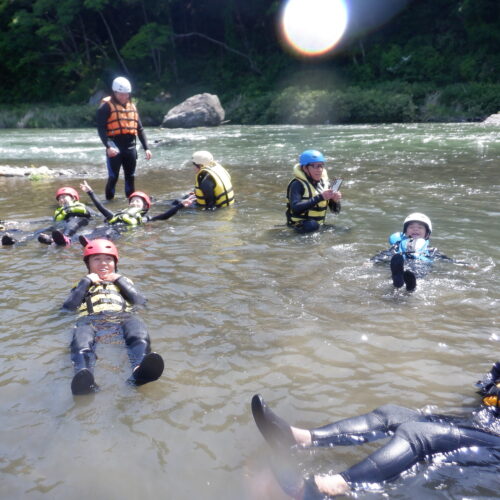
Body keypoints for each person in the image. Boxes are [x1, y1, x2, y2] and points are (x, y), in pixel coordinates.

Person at [251, 362, 500, 499]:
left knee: (419, 434)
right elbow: (483, 390)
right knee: (392, 413)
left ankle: (327, 488)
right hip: (477, 423)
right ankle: (299, 438)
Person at [62, 238, 164, 395]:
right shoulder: (81, 285)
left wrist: (119, 279)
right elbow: (68, 307)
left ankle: (139, 368)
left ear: (115, 264)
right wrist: (86, 281)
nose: (103, 263)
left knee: (137, 329)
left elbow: (141, 302)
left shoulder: (123, 282)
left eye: (108, 259)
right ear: (88, 264)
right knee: (81, 339)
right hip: (91, 319)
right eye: (97, 259)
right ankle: (83, 374)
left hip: (121, 317)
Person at [79, 180, 195, 240]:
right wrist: (90, 192)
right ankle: (69, 240)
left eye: (137, 201)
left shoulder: (144, 219)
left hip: (118, 232)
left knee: (109, 233)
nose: (134, 203)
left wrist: (180, 205)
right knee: (92, 231)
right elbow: (101, 207)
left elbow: (164, 216)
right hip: (107, 228)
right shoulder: (116, 215)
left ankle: (93, 241)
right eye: (132, 201)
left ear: (145, 207)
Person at [96, 76, 152, 200]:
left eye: (126, 94)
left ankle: (131, 203)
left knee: (130, 176)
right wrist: (108, 146)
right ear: (114, 92)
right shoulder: (105, 107)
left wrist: (146, 148)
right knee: (113, 177)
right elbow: (101, 129)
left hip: (130, 146)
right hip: (114, 145)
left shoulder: (132, 106)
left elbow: (140, 129)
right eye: (121, 94)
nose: (124, 97)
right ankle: (109, 203)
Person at [371, 213, 456, 291]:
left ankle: (409, 284)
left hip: (421, 265)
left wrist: (464, 264)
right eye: (411, 227)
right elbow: (386, 253)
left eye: (420, 227)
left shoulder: (430, 250)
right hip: (402, 263)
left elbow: (445, 259)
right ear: (405, 232)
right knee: (398, 264)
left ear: (427, 233)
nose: (415, 229)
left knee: (417, 274)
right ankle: (398, 281)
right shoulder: (398, 245)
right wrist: (373, 261)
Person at [1, 187, 91, 247]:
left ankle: (66, 239)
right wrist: (6, 223)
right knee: (38, 232)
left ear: (74, 198)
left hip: (79, 221)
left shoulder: (82, 207)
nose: (61, 199)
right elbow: (45, 220)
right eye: (59, 198)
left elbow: (95, 215)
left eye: (64, 197)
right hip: (62, 226)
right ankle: (17, 243)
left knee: (72, 222)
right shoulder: (59, 212)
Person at [286, 150, 342, 234]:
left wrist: (335, 200)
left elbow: (335, 211)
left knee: (344, 230)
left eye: (321, 166)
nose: (319, 170)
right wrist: (320, 197)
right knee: (311, 225)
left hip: (318, 226)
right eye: (315, 166)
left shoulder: (324, 183)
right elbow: (295, 209)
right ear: (305, 168)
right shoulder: (297, 184)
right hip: (299, 226)